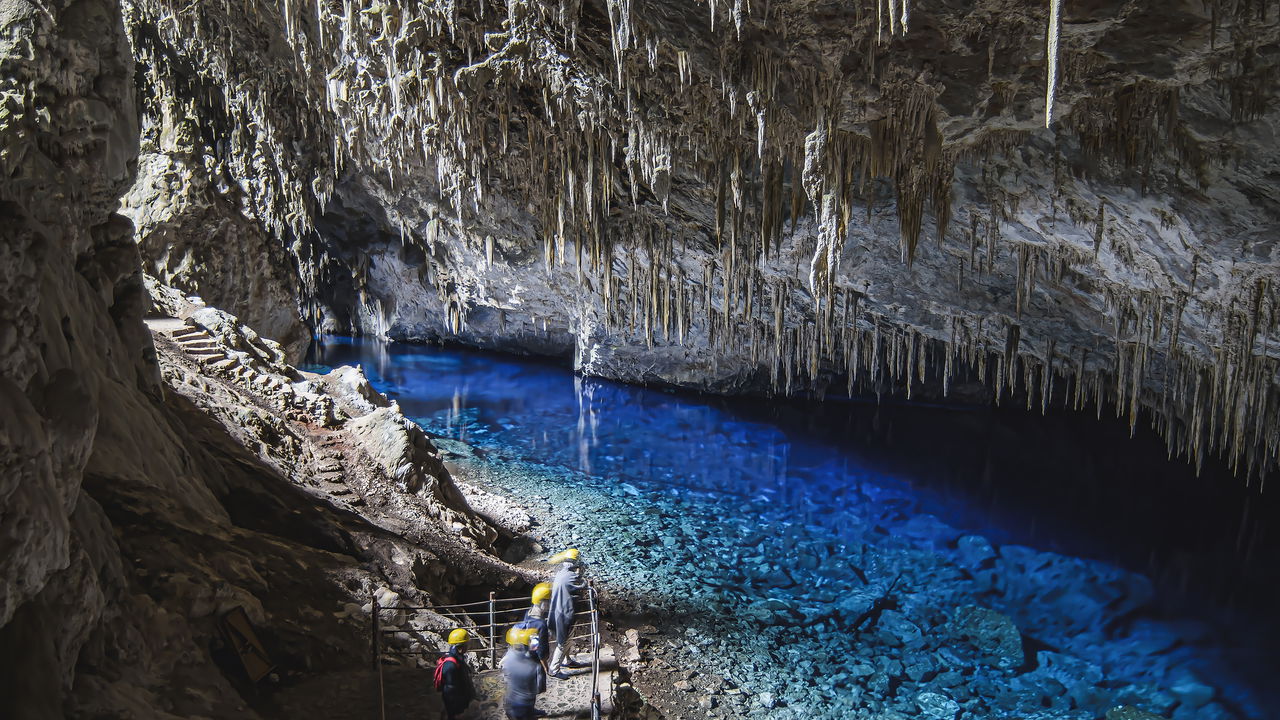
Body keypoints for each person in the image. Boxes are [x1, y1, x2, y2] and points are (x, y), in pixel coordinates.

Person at [546, 548, 587, 679]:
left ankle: (567, 660)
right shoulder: (572, 577)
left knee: (567, 638)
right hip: (565, 614)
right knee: (564, 641)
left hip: (556, 611)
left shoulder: (561, 574)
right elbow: (583, 585)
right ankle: (554, 669)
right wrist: (582, 574)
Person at [502, 627, 546, 720]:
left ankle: (530, 711)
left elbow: (506, 678)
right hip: (524, 702)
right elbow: (539, 686)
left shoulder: (509, 658)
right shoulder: (532, 664)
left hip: (512, 699)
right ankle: (529, 712)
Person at [436, 628, 476, 720]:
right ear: (462, 646)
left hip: (458, 704)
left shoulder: (457, 659)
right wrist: (456, 711)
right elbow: (450, 689)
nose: (468, 646)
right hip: (456, 707)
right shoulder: (451, 664)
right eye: (467, 644)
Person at [514, 582, 552, 666]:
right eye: (548, 601)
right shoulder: (541, 625)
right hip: (537, 661)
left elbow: (534, 643)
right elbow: (542, 650)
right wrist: (546, 667)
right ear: (541, 601)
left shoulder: (528, 613)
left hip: (528, 656)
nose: (550, 604)